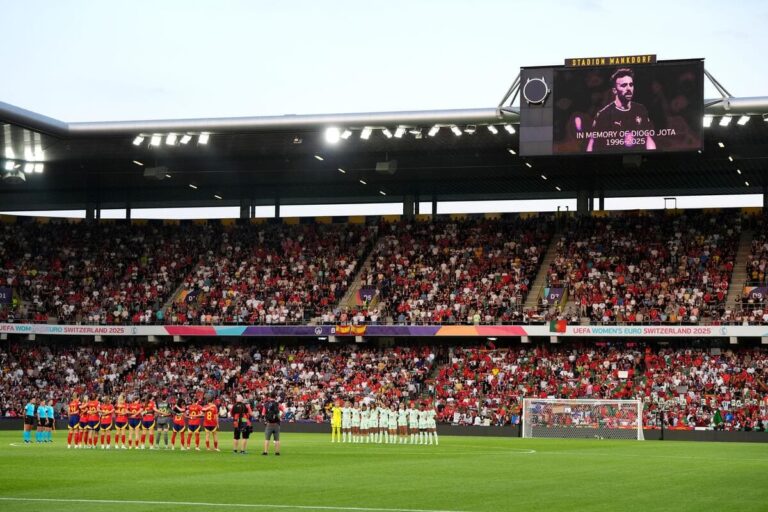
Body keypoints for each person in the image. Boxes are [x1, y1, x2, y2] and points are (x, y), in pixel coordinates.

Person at [586, 68, 656, 152]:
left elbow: (648, 138)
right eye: (624, 85)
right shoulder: (603, 114)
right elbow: (592, 142)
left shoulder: (641, 109)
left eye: (631, 85)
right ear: (614, 90)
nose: (628, 89)